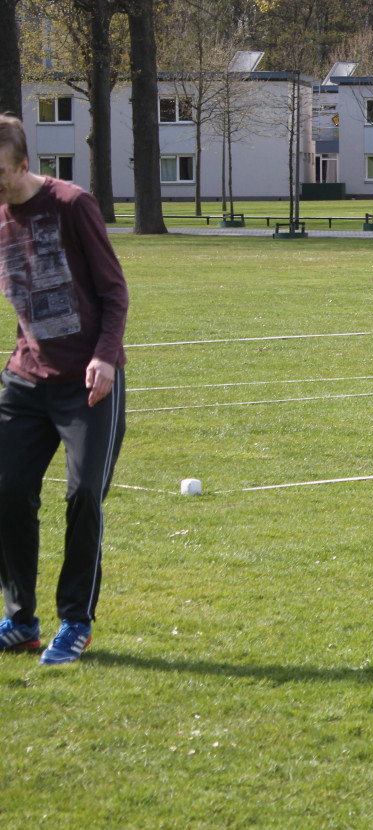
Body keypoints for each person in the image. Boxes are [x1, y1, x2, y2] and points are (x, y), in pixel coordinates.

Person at [0, 112, 128, 665]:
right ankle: (21, 619)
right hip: (27, 377)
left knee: (82, 498)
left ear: (24, 165)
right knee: (6, 492)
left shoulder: (72, 204)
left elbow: (115, 291)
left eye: (0, 174)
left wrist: (104, 357)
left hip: (87, 384)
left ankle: (75, 621)